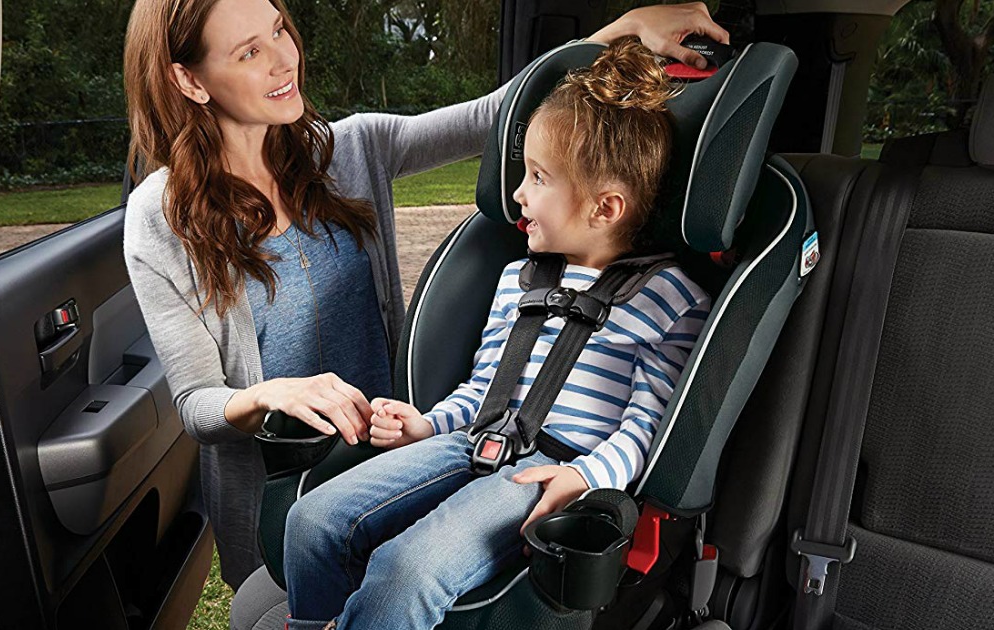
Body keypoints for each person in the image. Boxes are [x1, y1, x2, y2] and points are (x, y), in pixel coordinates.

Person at [121, 0, 728, 590]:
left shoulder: (352, 150)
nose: (284, 60)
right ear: (189, 80)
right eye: (250, 51)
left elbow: (499, 112)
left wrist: (621, 31)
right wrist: (267, 393)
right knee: (279, 583)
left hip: (393, 444)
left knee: (403, 577)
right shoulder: (160, 216)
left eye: (280, 31)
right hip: (276, 483)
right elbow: (198, 404)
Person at [282, 38, 715, 630]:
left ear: (605, 208)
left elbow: (647, 429)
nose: (518, 193)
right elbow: (485, 390)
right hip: (472, 441)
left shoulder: (670, 298)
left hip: (549, 471)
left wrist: (586, 478)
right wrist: (428, 424)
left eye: (539, 178)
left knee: (406, 569)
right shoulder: (519, 278)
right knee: (311, 521)